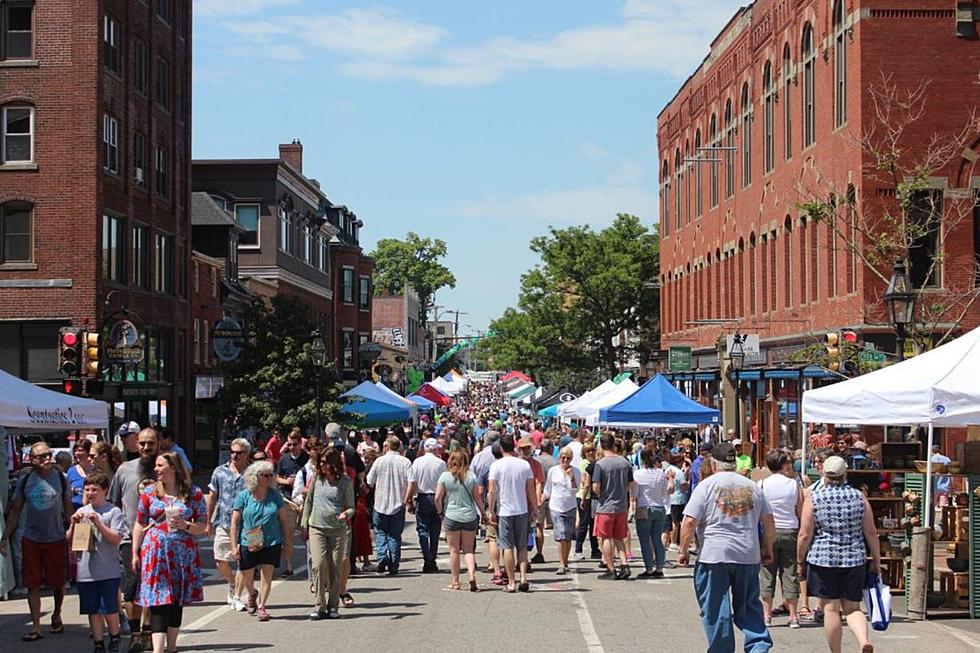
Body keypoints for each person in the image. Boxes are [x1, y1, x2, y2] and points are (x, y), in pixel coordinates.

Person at [679, 442, 775, 653]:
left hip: (714, 554)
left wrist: (683, 550)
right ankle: (758, 646)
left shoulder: (706, 485)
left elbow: (689, 522)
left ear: (713, 463)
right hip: (747, 553)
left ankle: (722, 649)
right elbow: (768, 521)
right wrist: (767, 548)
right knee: (749, 606)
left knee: (716, 608)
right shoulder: (751, 486)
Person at [797, 456, 880, 653]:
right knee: (853, 608)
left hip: (823, 558)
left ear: (824, 474)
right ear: (845, 474)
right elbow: (870, 531)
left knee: (831, 609)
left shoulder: (814, 498)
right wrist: (876, 559)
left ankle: (836, 651)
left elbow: (804, 534)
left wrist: (800, 560)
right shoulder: (859, 497)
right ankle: (863, 641)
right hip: (854, 557)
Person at [131, 452, 207, 653]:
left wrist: (186, 525)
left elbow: (203, 526)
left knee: (176, 599)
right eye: (155, 466)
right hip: (155, 553)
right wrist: (134, 552)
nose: (156, 469)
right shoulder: (149, 493)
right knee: (158, 600)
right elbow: (140, 523)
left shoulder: (194, 493)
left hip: (182, 554)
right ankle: (158, 649)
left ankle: (171, 646)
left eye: (160, 465)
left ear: (173, 467)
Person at [1, 442, 73, 642]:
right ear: (31, 460)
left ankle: (57, 613)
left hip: (56, 538)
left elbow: (68, 508)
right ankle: (36, 626)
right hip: (31, 539)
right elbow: (15, 510)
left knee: (58, 583)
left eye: (49, 454)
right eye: (42, 456)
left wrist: (74, 532)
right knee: (32, 583)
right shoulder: (26, 480)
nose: (48, 459)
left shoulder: (61, 478)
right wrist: (5, 537)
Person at [108, 427, 159, 650]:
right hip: (131, 540)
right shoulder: (124, 470)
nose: (146, 447)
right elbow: (113, 503)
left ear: (159, 444)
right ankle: (135, 633)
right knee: (131, 587)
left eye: (151, 443)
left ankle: (149, 632)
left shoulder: (167, 468)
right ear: (136, 444)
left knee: (154, 588)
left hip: (159, 540)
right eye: (142, 443)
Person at [67, 471, 127, 653]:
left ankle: (115, 637)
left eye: (95, 490)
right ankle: (98, 643)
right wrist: (73, 525)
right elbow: (70, 542)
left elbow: (116, 539)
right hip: (86, 571)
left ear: (105, 491)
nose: (91, 493)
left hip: (108, 570)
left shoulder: (113, 511)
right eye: (87, 490)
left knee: (109, 608)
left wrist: (99, 523)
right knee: (93, 610)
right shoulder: (81, 512)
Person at [229, 459, 292, 622]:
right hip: (249, 538)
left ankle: (262, 606)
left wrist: (287, 543)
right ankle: (252, 592)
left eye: (271, 475)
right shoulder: (244, 495)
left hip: (272, 539)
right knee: (246, 572)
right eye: (265, 475)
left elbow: (284, 521)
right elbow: (235, 522)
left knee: (267, 574)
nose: (269, 478)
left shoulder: (275, 496)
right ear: (255, 476)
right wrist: (234, 546)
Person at [302, 448, 355, 620]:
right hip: (317, 527)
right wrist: (304, 524)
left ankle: (333, 606)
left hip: (337, 530)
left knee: (334, 567)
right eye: (320, 462)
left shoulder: (345, 481)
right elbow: (308, 502)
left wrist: (345, 514)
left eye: (325, 462)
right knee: (317, 564)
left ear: (334, 464)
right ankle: (319, 605)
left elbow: (351, 507)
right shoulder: (317, 479)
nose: (322, 465)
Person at [758, 449, 803, 628]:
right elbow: (800, 510)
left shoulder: (761, 484)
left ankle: (767, 614)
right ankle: (793, 616)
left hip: (768, 531)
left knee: (767, 572)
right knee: (790, 573)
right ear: (784, 464)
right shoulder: (793, 484)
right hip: (790, 529)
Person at [206, 438, 251, 611]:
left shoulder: (251, 473)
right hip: (223, 522)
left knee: (243, 562)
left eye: (238, 453)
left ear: (246, 454)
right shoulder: (220, 471)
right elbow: (212, 496)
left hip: (246, 525)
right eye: (231, 451)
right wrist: (209, 521)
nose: (234, 455)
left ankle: (238, 596)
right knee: (220, 559)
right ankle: (232, 582)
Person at [487, 433, 535, 593]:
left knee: (507, 547)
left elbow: (492, 491)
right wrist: (534, 507)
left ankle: (512, 582)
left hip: (505, 510)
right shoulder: (524, 465)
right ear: (514, 446)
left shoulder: (496, 465)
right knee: (521, 546)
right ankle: (523, 577)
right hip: (521, 509)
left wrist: (490, 509)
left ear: (501, 448)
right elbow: (530, 489)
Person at [435, 450, 483, 591]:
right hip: (469, 515)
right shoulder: (471, 476)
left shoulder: (445, 476)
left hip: (451, 515)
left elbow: (437, 498)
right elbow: (477, 497)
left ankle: (455, 581)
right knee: (468, 550)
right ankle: (471, 575)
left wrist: (440, 512)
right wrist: (483, 513)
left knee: (454, 550)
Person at [365, 436, 412, 575]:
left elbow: (369, 481)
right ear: (399, 447)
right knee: (395, 535)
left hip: (380, 503)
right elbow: (412, 481)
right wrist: (407, 498)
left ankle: (382, 556)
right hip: (398, 503)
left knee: (381, 532)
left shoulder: (379, 461)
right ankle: (394, 565)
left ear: (387, 446)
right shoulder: (405, 462)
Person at [592, 433, 634, 580]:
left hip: (606, 506)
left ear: (601, 446)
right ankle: (624, 564)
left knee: (605, 538)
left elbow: (596, 487)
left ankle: (611, 568)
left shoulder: (600, 464)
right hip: (621, 505)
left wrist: (601, 492)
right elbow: (630, 484)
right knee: (619, 537)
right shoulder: (624, 462)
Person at [405, 437, 447, 573]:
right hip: (436, 497)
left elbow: (413, 481)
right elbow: (444, 483)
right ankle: (432, 559)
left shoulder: (417, 462)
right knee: (435, 530)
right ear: (435, 449)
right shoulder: (441, 463)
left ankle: (427, 559)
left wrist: (410, 499)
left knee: (422, 529)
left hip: (422, 497)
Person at [542, 446, 580, 574]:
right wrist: (542, 498)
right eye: (563, 458)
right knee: (560, 535)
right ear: (559, 458)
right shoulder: (553, 471)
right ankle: (561, 563)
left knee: (568, 537)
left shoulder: (576, 471)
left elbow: (576, 490)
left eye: (568, 458)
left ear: (571, 459)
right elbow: (548, 488)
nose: (565, 461)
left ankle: (566, 561)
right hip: (556, 506)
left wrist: (572, 477)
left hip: (570, 506)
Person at [632, 445, 669, 578]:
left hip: (644, 507)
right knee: (657, 539)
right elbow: (665, 492)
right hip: (659, 507)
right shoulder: (661, 473)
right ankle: (659, 568)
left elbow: (635, 493)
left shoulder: (637, 474)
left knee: (644, 540)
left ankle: (648, 568)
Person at [274, 431, 307, 576]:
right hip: (288, 500)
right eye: (289, 444)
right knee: (288, 535)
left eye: (294, 444)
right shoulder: (284, 459)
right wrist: (286, 481)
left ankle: (312, 563)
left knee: (307, 534)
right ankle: (288, 566)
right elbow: (277, 477)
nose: (292, 447)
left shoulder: (307, 458)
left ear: (300, 443)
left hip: (305, 501)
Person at [574, 442, 600, 561]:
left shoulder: (594, 463)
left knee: (593, 524)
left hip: (592, 498)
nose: (590, 453)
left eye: (592, 450)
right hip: (585, 496)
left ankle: (595, 549)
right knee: (584, 524)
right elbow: (586, 483)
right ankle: (578, 550)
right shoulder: (584, 464)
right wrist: (583, 498)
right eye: (588, 451)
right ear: (584, 453)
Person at [666, 452, 689, 553]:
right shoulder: (679, 472)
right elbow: (684, 487)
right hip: (678, 499)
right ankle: (674, 542)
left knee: (670, 521)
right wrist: (689, 481)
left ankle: (670, 541)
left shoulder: (667, 469)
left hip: (669, 498)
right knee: (676, 522)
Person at [68, 439, 95, 511]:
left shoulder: (97, 471)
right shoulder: (71, 471)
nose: (76, 453)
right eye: (75, 451)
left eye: (80, 450)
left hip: (94, 511)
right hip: (76, 510)